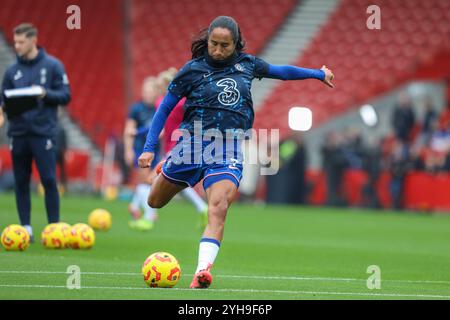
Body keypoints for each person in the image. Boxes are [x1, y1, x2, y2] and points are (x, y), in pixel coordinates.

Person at [137, 16, 334, 288]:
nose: (217, 50)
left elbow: (282, 71)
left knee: (218, 207)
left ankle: (202, 271)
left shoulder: (248, 64)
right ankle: (165, 167)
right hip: (191, 146)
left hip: (227, 147)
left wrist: (318, 73)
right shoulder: (191, 70)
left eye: (224, 46)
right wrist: (149, 148)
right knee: (154, 202)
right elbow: (164, 109)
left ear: (235, 44)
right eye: (213, 44)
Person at [0, 23, 71, 241]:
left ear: (33, 40)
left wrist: (45, 93)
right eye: (16, 41)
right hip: (19, 133)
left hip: (43, 133)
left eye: (21, 42)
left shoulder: (53, 66)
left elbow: (65, 95)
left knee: (49, 180)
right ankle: (26, 229)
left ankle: (54, 230)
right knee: (21, 181)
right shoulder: (12, 71)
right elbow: (3, 100)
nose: (17, 46)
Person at [154, 68, 208, 228]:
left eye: (159, 86)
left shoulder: (177, 102)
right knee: (175, 180)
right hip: (172, 143)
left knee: (156, 177)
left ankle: (149, 217)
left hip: (178, 144)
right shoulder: (169, 101)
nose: (157, 89)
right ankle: (202, 207)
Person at [123, 77, 160, 231]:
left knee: (148, 182)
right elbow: (128, 131)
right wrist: (128, 149)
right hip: (141, 150)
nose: (148, 94)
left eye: (151, 91)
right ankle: (149, 215)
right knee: (146, 180)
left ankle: (135, 205)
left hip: (156, 150)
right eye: (145, 91)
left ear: (156, 92)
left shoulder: (160, 108)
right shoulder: (136, 109)